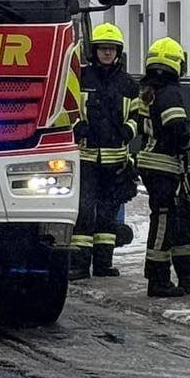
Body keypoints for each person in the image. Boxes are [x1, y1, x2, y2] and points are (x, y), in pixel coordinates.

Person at [70, 23, 139, 280]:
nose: (107, 53)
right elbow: (69, 108)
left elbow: (137, 115)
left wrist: (128, 131)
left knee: (108, 215)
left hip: (116, 160)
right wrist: (78, 126)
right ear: (94, 51)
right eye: (103, 49)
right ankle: (79, 264)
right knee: (84, 212)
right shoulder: (81, 78)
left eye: (111, 49)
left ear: (118, 52)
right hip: (86, 157)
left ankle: (103, 264)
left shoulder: (128, 84)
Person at [138, 37, 190, 298]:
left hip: (154, 165)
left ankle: (186, 276)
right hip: (165, 166)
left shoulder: (148, 91)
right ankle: (158, 279)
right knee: (164, 220)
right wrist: (187, 141)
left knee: (180, 218)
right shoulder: (170, 93)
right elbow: (177, 129)